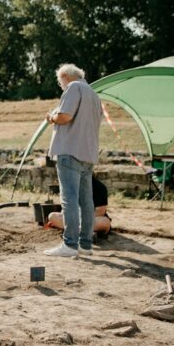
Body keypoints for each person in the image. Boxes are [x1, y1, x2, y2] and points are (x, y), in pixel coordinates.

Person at [43, 63, 103, 257]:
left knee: (69, 199)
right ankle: (86, 245)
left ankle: (69, 244)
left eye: (61, 82)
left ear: (66, 77)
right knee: (87, 201)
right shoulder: (94, 95)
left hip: (70, 150)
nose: (61, 86)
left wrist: (52, 117)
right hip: (88, 153)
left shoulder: (73, 87)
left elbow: (65, 116)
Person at [45, 175, 112, 238]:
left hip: (90, 219)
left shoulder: (99, 187)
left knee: (105, 222)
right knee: (52, 216)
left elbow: (100, 212)